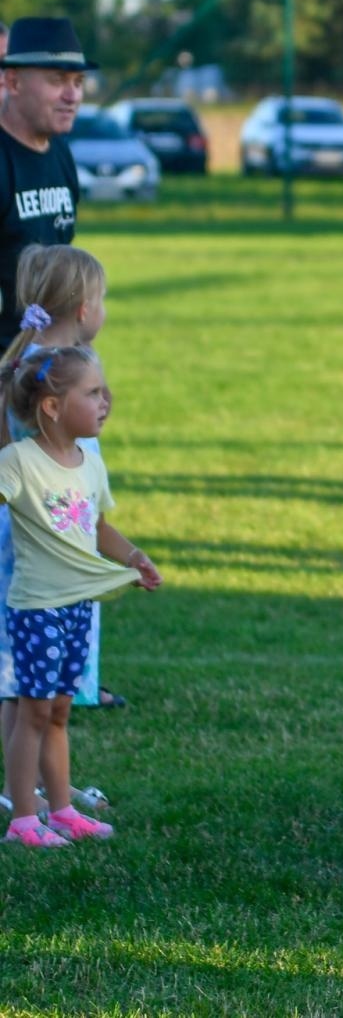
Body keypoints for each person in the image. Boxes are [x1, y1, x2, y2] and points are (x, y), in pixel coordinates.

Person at [0, 345, 161, 848]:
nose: (105, 400)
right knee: (33, 711)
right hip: (38, 609)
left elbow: (98, 527)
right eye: (92, 392)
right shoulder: (20, 462)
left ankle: (63, 810)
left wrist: (132, 556)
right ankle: (25, 820)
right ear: (51, 406)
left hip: (77, 610)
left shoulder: (89, 463)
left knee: (61, 712)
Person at [0, 246, 116, 820]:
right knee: (26, 688)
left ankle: (49, 797)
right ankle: (26, 800)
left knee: (32, 688)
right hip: (38, 561)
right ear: (84, 306)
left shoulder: (55, 360)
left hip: (65, 559)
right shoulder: (47, 371)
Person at [0, 17, 90, 346]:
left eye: (78, 82)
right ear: (13, 82)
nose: (72, 95)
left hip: (45, 359)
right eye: (57, 80)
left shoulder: (61, 154)